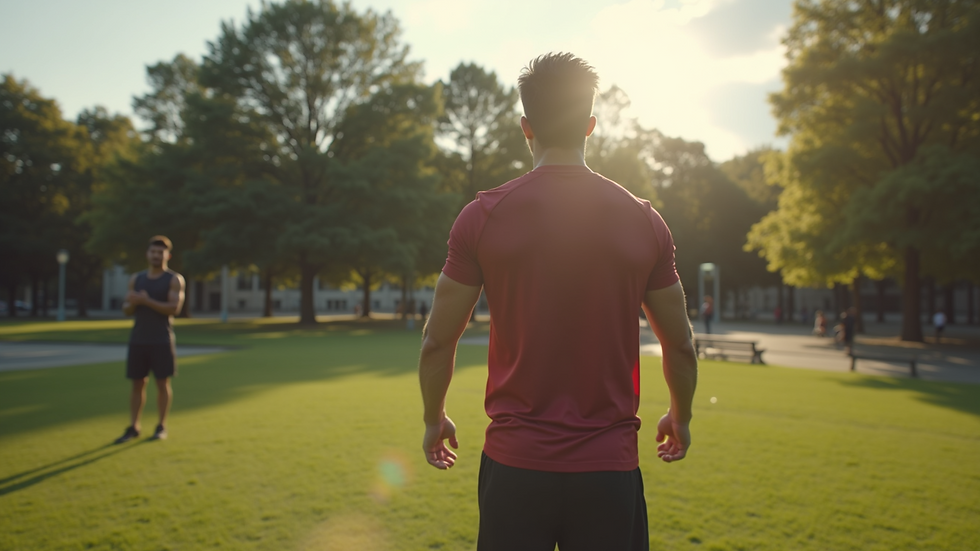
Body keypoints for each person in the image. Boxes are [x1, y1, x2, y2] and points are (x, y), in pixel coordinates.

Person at [417, 53, 698, 551]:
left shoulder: (482, 217)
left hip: (514, 472)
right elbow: (679, 344)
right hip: (609, 473)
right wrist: (681, 416)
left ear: (526, 127)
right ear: (591, 125)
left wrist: (433, 419)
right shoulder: (644, 221)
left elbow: (438, 341)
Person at [115, 236, 185, 443]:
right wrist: (133, 303)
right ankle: (134, 426)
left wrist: (147, 301)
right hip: (138, 339)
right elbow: (126, 310)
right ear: (147, 254)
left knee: (162, 383)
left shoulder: (174, 279)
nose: (156, 255)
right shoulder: (136, 279)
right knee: (137, 384)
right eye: (153, 251)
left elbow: (174, 308)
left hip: (162, 339)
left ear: (167, 255)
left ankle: (161, 426)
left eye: (160, 252)